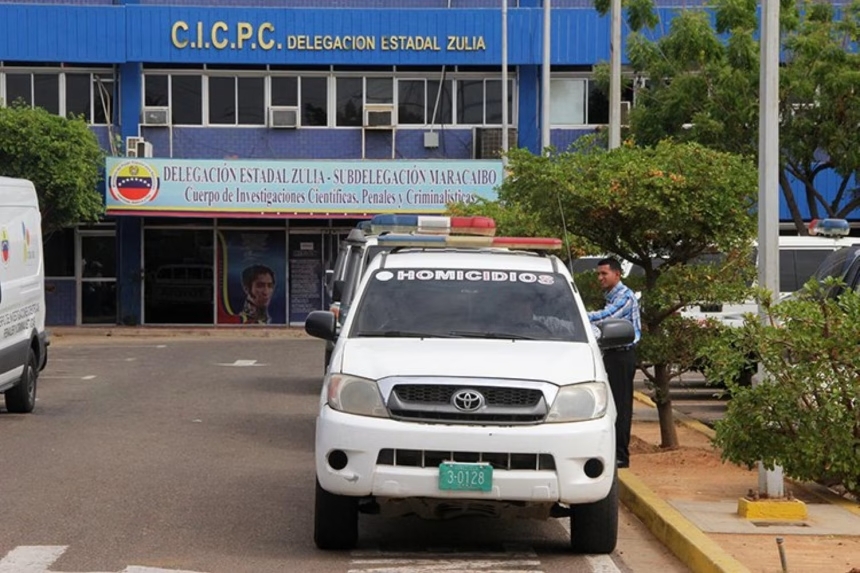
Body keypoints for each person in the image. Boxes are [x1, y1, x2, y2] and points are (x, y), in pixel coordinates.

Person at [587, 257, 641, 469]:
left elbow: (605, 317)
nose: (600, 278)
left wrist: (578, 314)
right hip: (610, 354)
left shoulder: (624, 297)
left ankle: (621, 456)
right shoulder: (610, 296)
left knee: (621, 406)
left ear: (617, 274)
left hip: (621, 356)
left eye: (604, 274)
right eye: (598, 274)